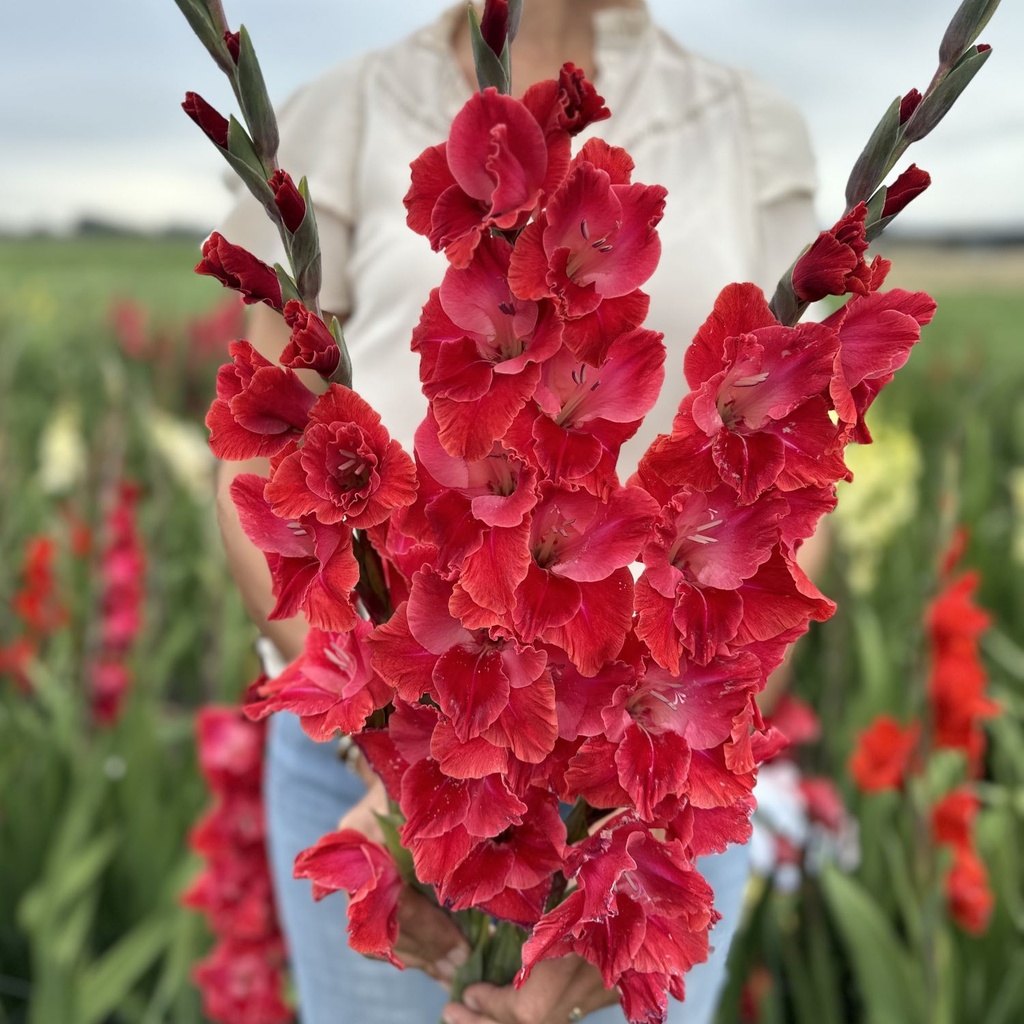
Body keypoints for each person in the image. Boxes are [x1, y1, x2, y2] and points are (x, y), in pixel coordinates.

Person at [214, 2, 819, 1022]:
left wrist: (629, 838)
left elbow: (782, 507)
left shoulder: (752, 125)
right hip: (371, 770)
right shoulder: (343, 112)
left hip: (646, 778)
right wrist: (397, 764)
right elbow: (262, 454)